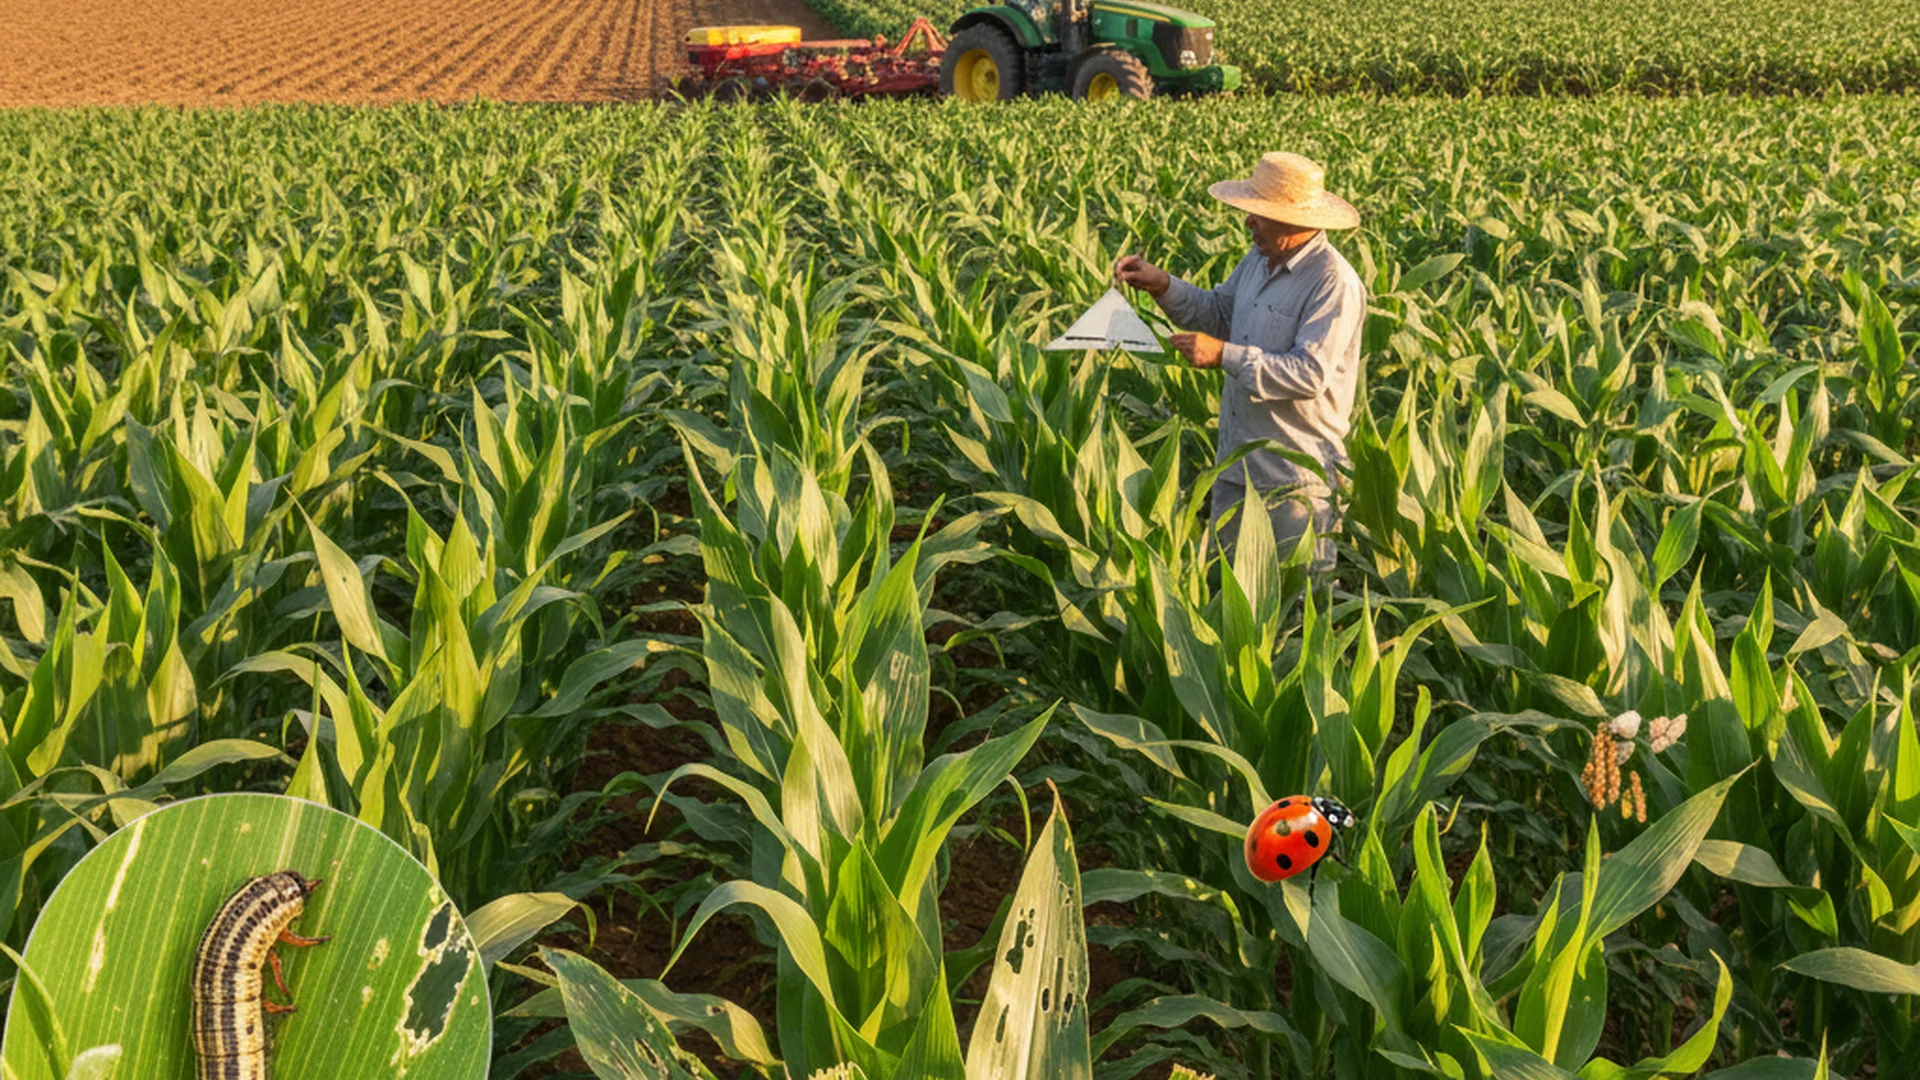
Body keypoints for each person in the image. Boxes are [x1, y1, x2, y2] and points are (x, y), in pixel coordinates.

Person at [1114, 151, 1366, 573]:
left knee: (1294, 611)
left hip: (1295, 480)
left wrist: (1223, 355)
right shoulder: (1258, 261)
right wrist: (1163, 285)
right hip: (1236, 465)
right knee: (1228, 600)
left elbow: (1309, 373)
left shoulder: (1333, 282)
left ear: (1294, 219)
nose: (1248, 221)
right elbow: (1218, 314)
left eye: (1258, 213)